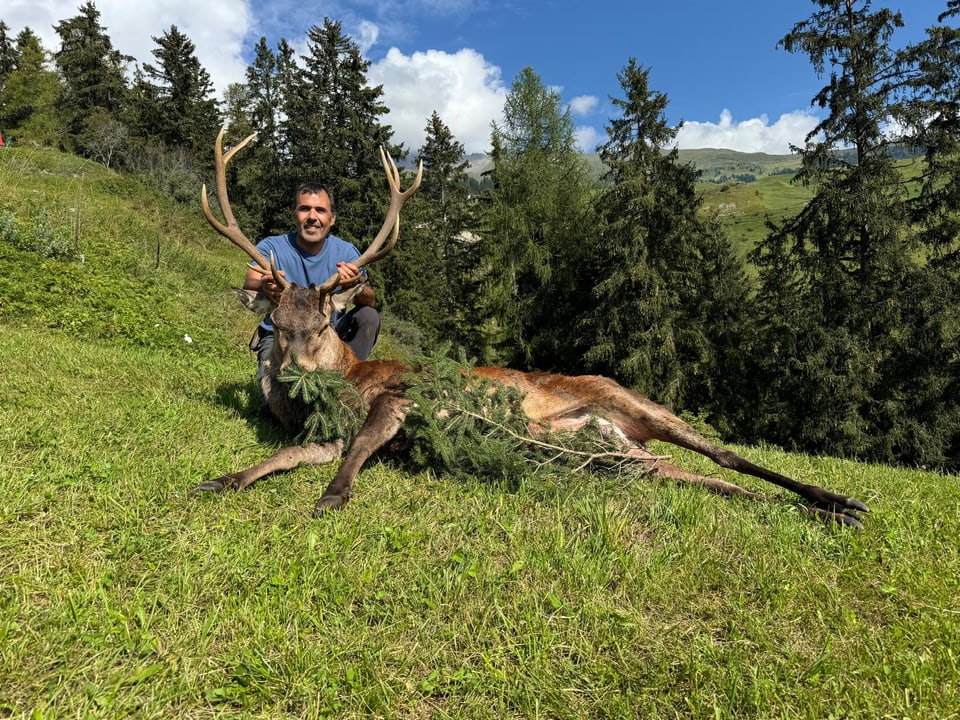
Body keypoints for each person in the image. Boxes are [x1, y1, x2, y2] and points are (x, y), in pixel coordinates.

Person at [245, 182, 381, 382]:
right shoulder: (271, 248)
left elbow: (370, 299)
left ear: (332, 218)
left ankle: (350, 383)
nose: (312, 217)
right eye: (304, 209)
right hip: (282, 336)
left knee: (368, 316)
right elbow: (250, 284)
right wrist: (264, 286)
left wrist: (355, 284)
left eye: (320, 210)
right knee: (274, 404)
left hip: (325, 334)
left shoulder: (346, 252)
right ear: (294, 215)